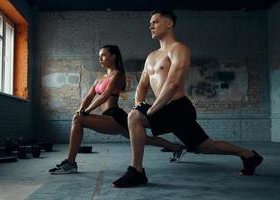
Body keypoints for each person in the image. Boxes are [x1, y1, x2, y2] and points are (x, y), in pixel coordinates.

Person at [112, 10, 263, 188]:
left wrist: (150, 110)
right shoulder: (151, 57)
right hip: (164, 109)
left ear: (169, 24)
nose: (151, 25)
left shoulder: (179, 49)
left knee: (134, 117)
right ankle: (249, 155)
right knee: (205, 146)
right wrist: (139, 103)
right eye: (150, 23)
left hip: (179, 108)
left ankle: (136, 172)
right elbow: (142, 86)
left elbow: (173, 84)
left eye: (156, 21)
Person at [49, 45, 185, 174]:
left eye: (103, 55)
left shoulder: (118, 74)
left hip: (115, 116)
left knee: (78, 120)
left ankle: (70, 164)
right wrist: (81, 109)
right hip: (108, 116)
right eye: (99, 56)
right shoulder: (99, 78)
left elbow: (106, 95)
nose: (100, 58)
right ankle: (178, 148)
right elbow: (88, 97)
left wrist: (87, 111)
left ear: (113, 56)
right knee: (145, 139)